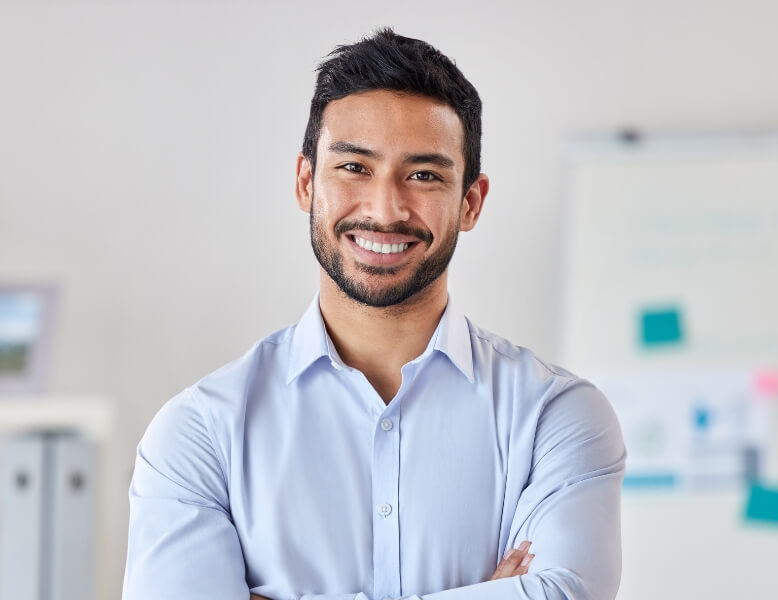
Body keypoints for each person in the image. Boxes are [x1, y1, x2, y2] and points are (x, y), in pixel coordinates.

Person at [122, 28, 626, 600]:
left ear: (471, 202)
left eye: (423, 175)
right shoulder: (199, 433)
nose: (385, 209)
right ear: (306, 182)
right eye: (355, 168)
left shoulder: (555, 419)